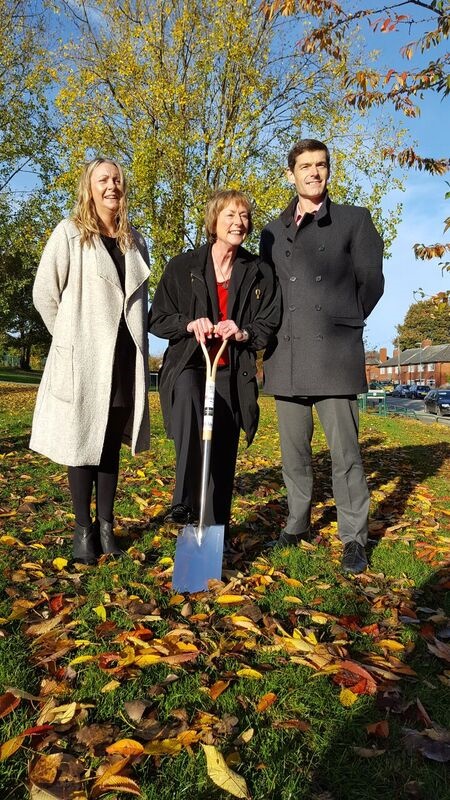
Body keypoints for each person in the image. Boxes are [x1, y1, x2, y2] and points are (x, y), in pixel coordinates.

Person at [260, 139, 384, 573]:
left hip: (334, 355)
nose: (314, 172)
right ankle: (297, 524)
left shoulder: (355, 219)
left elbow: (372, 282)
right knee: (293, 455)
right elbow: (268, 291)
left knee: (345, 454)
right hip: (287, 355)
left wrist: (342, 321)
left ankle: (354, 536)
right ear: (290, 174)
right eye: (305, 166)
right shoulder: (272, 230)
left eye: (321, 165)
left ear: (329, 171)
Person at [30, 157, 150, 564]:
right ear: (90, 187)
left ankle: (106, 527)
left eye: (117, 179)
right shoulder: (69, 234)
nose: (112, 186)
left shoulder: (135, 240)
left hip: (122, 359)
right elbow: (44, 293)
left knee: (109, 446)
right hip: (82, 360)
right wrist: (68, 339)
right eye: (104, 179)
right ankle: (83, 530)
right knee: (82, 442)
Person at [149, 189, 280, 531]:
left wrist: (243, 332)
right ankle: (183, 501)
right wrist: (189, 323)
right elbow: (158, 318)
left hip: (232, 372)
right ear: (214, 221)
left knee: (222, 456)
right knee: (191, 401)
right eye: (231, 215)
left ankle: (213, 532)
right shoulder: (183, 266)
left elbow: (268, 323)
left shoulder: (259, 272)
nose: (240, 223)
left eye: (245, 216)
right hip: (189, 364)